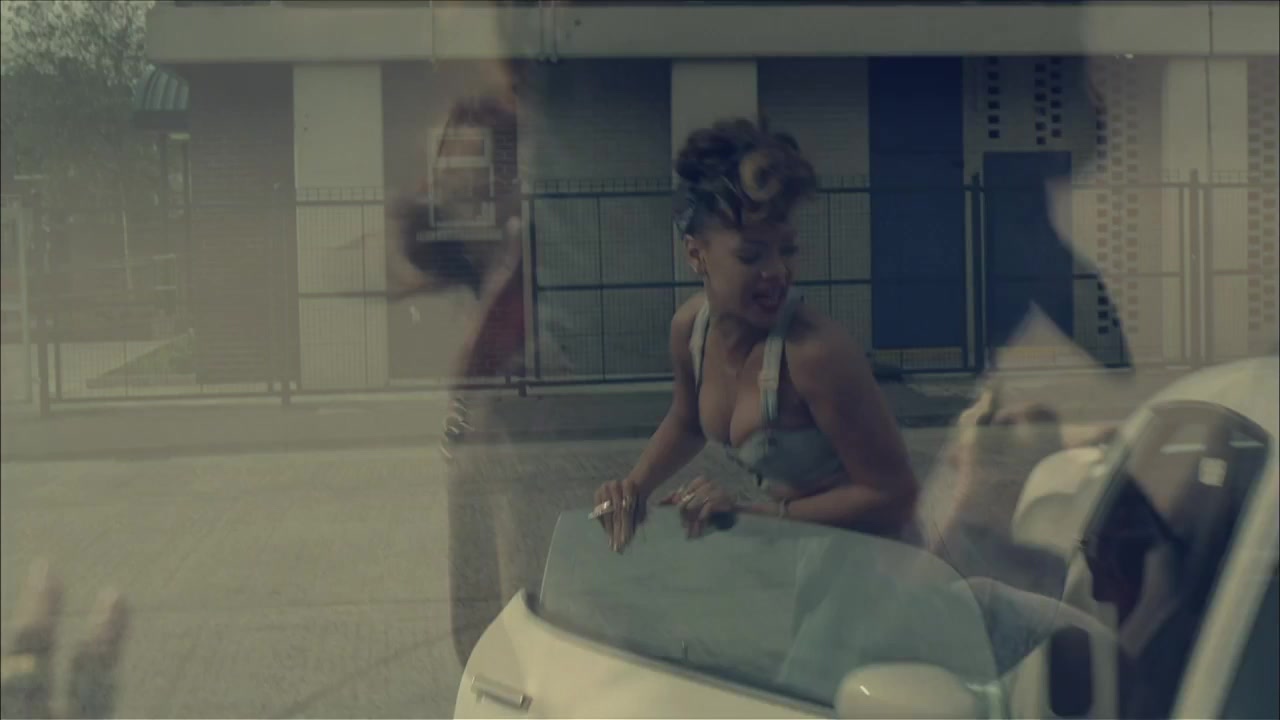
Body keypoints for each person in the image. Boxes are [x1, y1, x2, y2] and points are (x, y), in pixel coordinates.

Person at [592, 118, 919, 549]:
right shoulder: (690, 331)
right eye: (751, 255)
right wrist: (633, 487)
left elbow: (895, 495)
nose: (777, 271)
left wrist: (753, 515)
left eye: (787, 249)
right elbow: (688, 422)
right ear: (696, 254)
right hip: (797, 550)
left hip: (875, 562)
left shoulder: (814, 354)